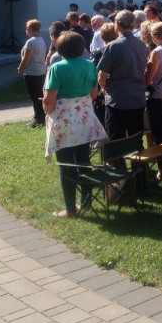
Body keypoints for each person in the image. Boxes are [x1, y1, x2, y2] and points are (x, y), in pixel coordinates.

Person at [42, 31, 107, 218]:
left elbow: (49, 100)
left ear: (59, 49)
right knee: (84, 160)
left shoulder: (57, 68)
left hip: (64, 122)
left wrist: (47, 110)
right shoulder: (89, 65)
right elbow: (94, 94)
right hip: (85, 119)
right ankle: (85, 202)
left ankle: (70, 209)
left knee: (65, 164)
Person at [97, 11, 148, 141]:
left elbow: (101, 76)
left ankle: (119, 162)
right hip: (137, 98)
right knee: (136, 140)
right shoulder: (142, 44)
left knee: (115, 142)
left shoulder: (113, 46)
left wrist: (104, 89)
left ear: (117, 24)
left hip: (117, 101)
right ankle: (138, 162)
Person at [17, 19, 47, 128]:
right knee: (39, 94)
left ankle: (38, 117)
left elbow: (26, 58)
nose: (26, 30)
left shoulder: (31, 42)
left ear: (31, 29)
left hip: (32, 71)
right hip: (41, 70)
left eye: (27, 28)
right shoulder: (41, 39)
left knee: (34, 96)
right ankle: (42, 115)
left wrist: (20, 68)